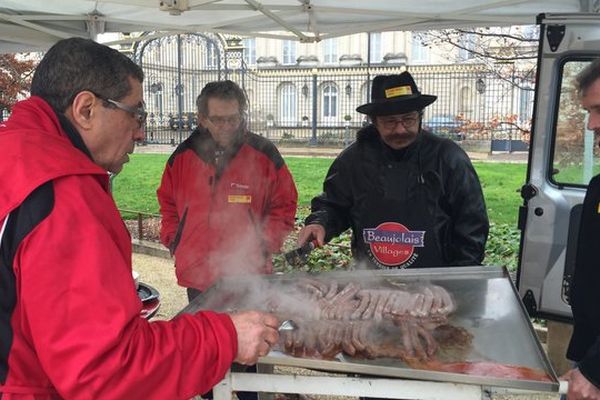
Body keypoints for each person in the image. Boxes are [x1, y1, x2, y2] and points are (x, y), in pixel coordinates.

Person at [0, 38, 279, 399]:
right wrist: (226, 336)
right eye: (136, 113)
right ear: (86, 110)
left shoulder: (13, 156)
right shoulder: (60, 192)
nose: (141, 132)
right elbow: (107, 370)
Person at [297, 72, 489, 269]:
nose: (400, 129)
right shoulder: (353, 160)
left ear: (420, 117)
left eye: (408, 119)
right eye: (390, 121)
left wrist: (461, 276)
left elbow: (472, 222)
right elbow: (333, 204)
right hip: (372, 283)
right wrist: (320, 222)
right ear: (374, 121)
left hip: (437, 281)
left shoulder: (448, 157)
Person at [157, 80, 297, 302]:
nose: (227, 126)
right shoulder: (182, 157)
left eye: (233, 118)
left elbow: (285, 204)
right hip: (198, 274)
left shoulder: (263, 154)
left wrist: (264, 244)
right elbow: (167, 202)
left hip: (248, 274)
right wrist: (175, 238)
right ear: (202, 119)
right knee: (205, 335)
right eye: (218, 120)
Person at [562, 59, 600, 400]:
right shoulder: (598, 186)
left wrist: (595, 372)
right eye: (589, 111)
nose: (590, 125)